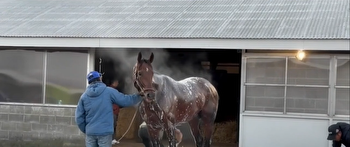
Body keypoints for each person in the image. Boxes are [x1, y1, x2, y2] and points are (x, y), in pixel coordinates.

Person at [75, 71, 142, 147]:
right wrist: (140, 96)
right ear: (100, 78)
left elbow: (78, 117)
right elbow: (125, 101)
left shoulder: (84, 97)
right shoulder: (109, 91)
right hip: (105, 133)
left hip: (90, 133)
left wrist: (86, 130)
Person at [109, 79, 121, 145]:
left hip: (115, 111)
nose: (117, 84)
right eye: (117, 82)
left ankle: (113, 139)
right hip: (112, 111)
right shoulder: (111, 90)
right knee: (112, 125)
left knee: (114, 125)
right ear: (114, 82)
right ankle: (111, 139)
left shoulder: (114, 90)